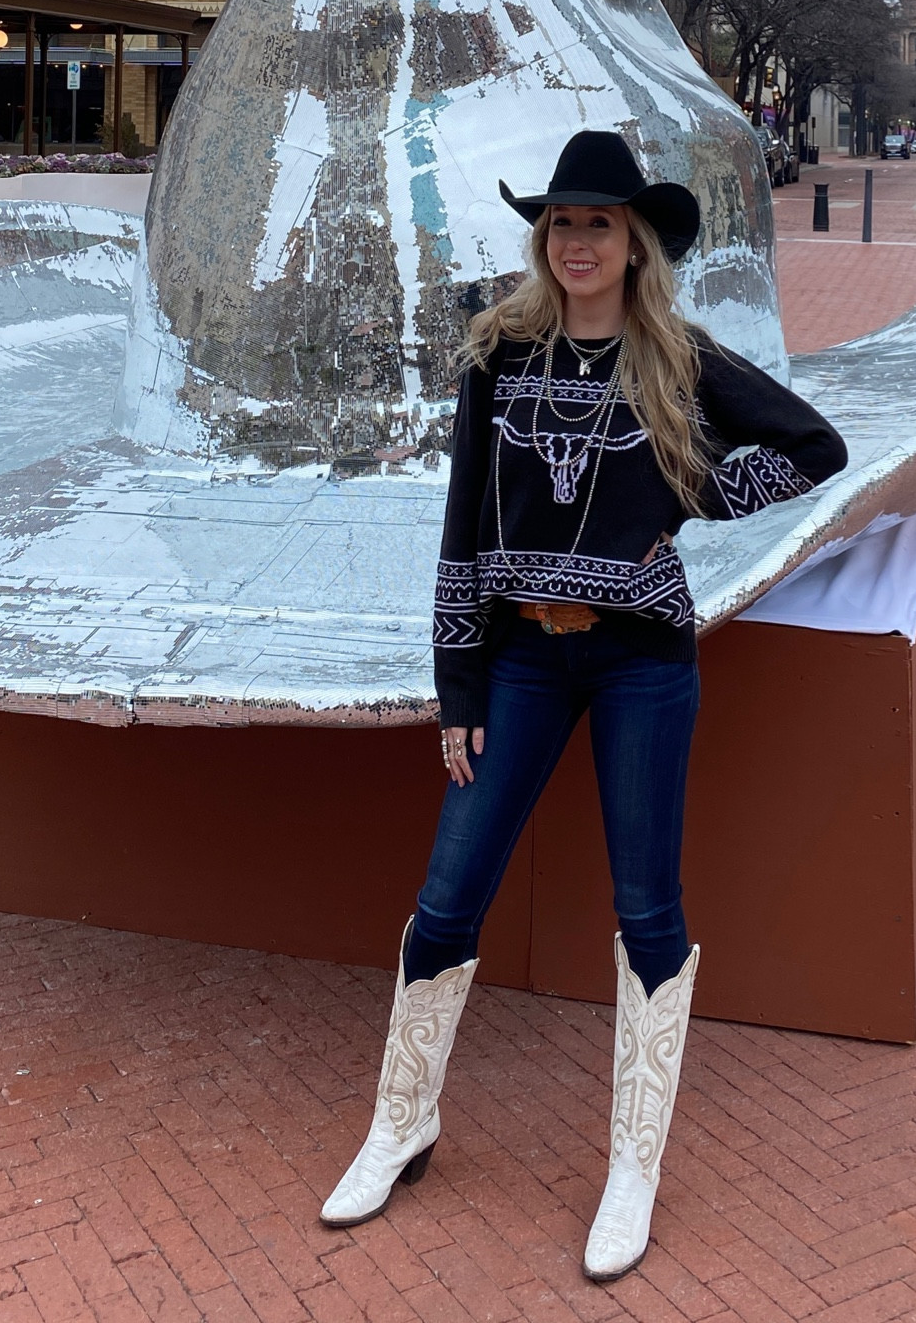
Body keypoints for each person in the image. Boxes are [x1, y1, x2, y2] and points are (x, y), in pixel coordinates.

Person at [320, 130, 847, 1279]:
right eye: (561, 221)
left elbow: (816, 445)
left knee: (647, 906)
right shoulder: (499, 356)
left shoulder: (679, 358)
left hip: (642, 661)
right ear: (543, 237)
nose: (577, 241)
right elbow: (463, 528)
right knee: (450, 891)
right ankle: (401, 1119)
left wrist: (695, 488)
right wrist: (456, 680)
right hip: (517, 661)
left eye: (598, 222)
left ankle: (632, 1164)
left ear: (633, 240)